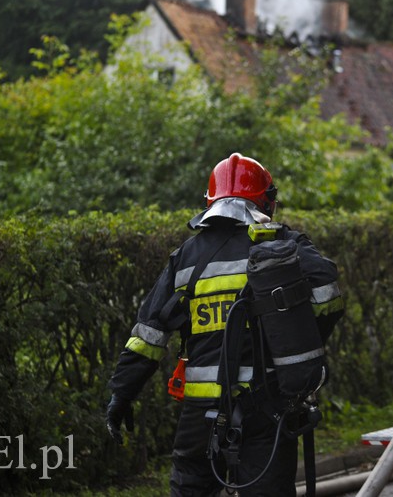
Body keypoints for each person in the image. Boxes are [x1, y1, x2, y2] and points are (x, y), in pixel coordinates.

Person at [105, 153, 344, 496]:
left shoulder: (185, 257)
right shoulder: (282, 246)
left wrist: (122, 394)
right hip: (266, 411)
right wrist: (298, 336)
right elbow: (328, 295)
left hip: (200, 414)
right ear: (268, 202)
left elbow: (148, 336)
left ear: (209, 202)